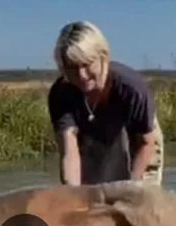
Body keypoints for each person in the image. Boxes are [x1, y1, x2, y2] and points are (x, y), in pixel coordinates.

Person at [47, 20, 164, 186]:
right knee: (90, 192)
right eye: (72, 67)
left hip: (141, 137)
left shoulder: (131, 88)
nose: (82, 75)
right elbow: (70, 151)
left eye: (87, 64)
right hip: (90, 132)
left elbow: (146, 143)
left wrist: (131, 189)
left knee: (138, 198)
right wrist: (73, 195)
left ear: (103, 57)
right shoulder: (61, 93)